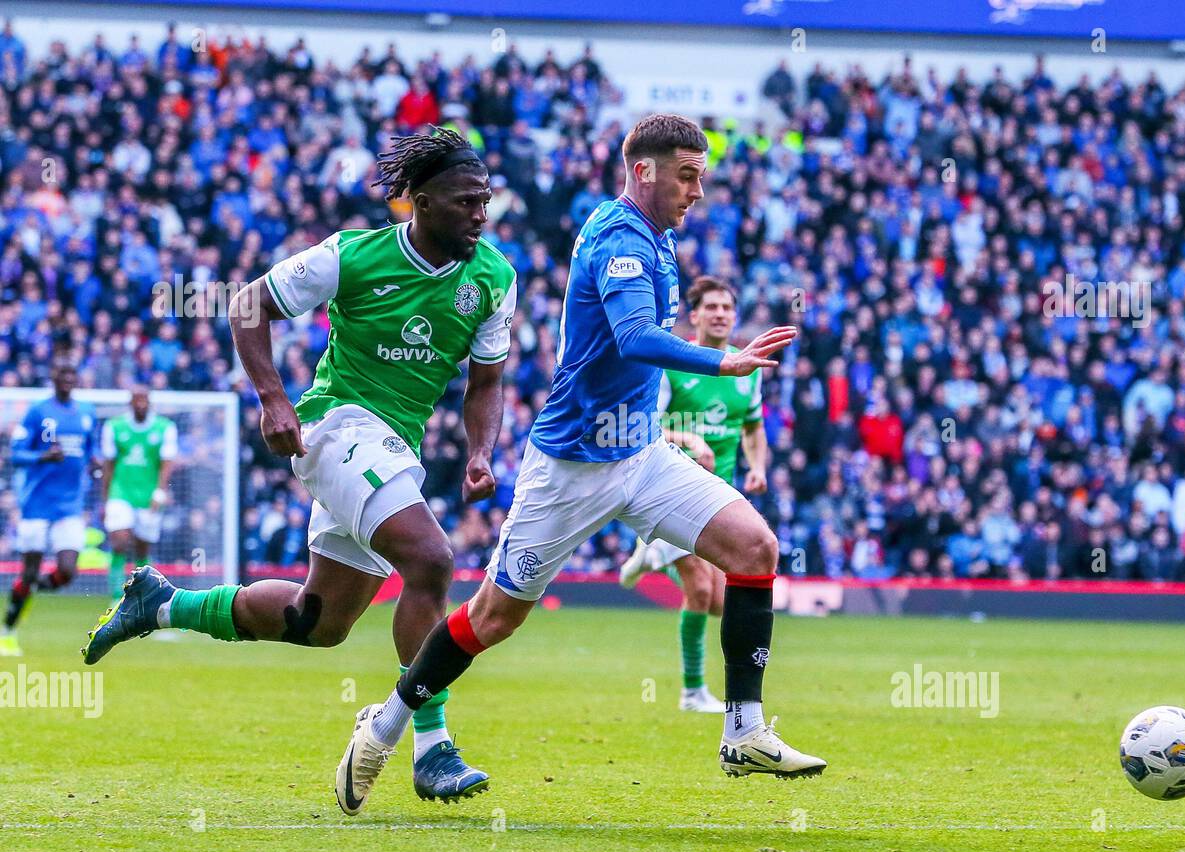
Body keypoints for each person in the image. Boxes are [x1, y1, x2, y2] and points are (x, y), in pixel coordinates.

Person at [337, 113, 825, 816]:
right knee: (493, 618)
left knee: (755, 548)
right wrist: (723, 359)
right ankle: (383, 726)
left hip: (641, 453)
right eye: (686, 176)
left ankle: (743, 729)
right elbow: (632, 337)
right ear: (643, 171)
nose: (697, 191)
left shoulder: (659, 237)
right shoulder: (618, 237)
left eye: (701, 177)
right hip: (570, 468)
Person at [84, 128, 516, 803]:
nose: (480, 214)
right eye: (466, 202)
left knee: (319, 622)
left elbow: (486, 382)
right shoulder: (351, 256)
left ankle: (163, 604)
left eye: (486, 201)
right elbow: (248, 303)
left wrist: (482, 450)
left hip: (394, 445)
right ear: (422, 203)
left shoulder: (493, 276)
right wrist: (273, 398)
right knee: (431, 560)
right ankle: (431, 748)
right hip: (335, 425)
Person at [618, 276, 768, 713]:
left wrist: (756, 467)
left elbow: (754, 429)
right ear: (695, 315)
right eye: (712, 307)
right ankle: (692, 691)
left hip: (718, 496)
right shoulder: (673, 363)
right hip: (666, 487)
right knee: (699, 589)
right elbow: (643, 425)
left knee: (721, 603)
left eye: (727, 307)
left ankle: (648, 559)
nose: (721, 313)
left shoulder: (746, 369)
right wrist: (687, 438)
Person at [2, 364, 97, 656]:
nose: (68, 381)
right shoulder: (37, 412)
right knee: (29, 569)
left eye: (72, 376)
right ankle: (8, 629)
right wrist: (43, 457)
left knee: (67, 571)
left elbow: (90, 452)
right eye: (62, 376)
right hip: (36, 505)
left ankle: (27, 588)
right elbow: (15, 455)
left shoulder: (86, 413)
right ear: (54, 379)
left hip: (69, 505)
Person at [101, 384, 179, 587]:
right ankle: (116, 596)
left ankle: (143, 593)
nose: (141, 404)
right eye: (137, 400)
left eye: (144, 400)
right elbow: (108, 464)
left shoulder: (164, 428)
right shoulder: (114, 426)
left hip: (148, 495)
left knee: (142, 549)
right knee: (119, 542)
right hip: (121, 492)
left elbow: (166, 464)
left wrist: (160, 492)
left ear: (150, 402)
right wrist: (106, 498)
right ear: (130, 403)